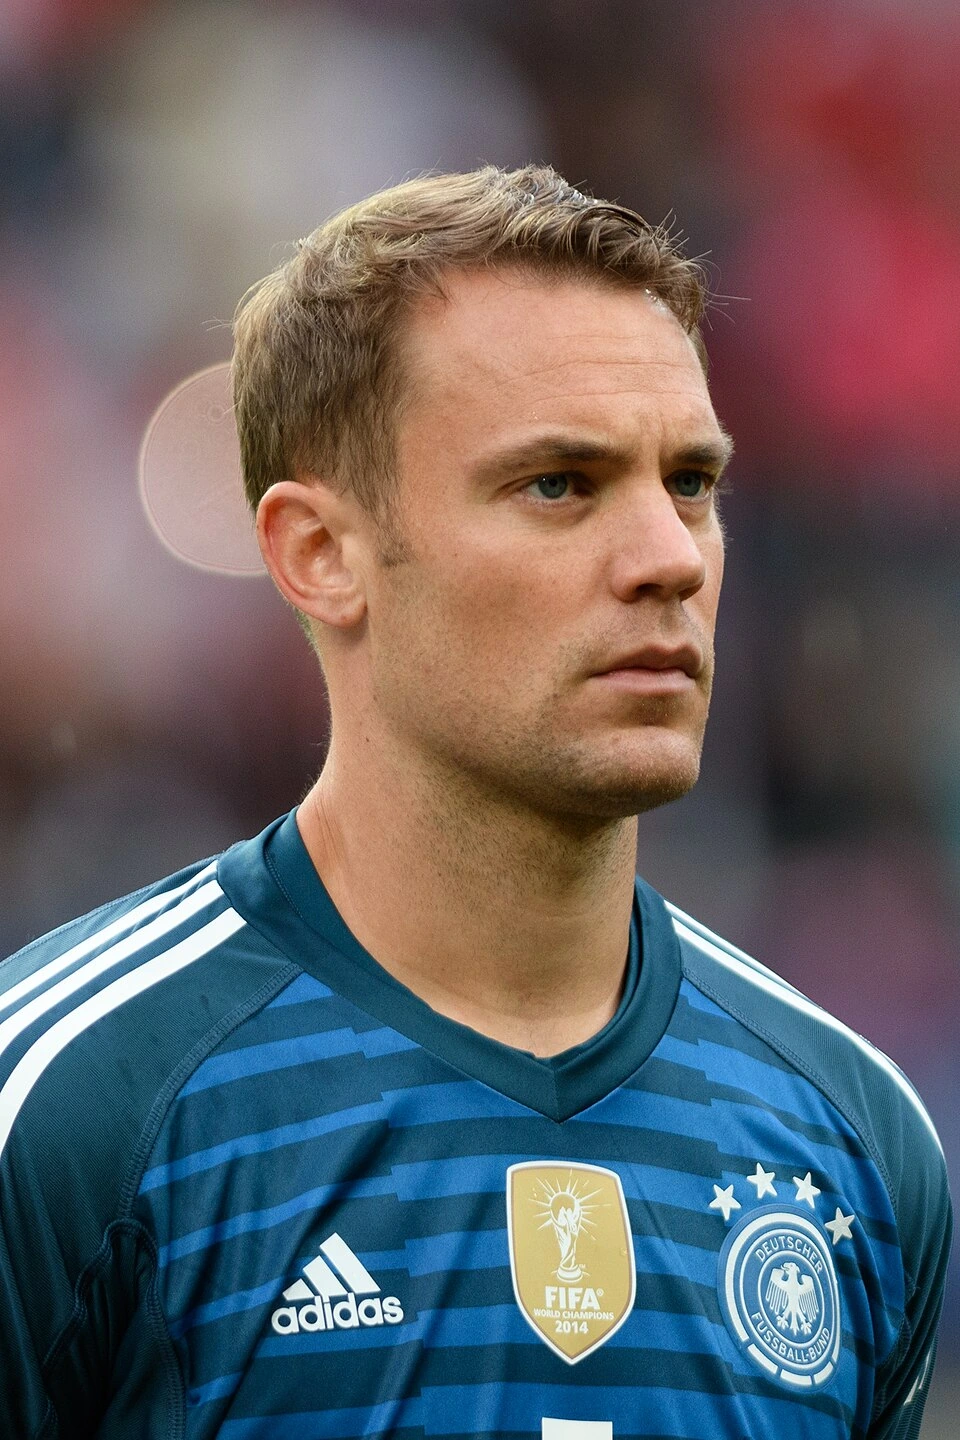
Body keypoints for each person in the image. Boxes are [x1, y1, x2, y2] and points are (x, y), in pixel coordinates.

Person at [0, 165, 950, 1440]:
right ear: (320, 554)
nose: (670, 557)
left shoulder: (855, 1141)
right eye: (559, 484)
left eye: (691, 482)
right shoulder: (69, 1113)